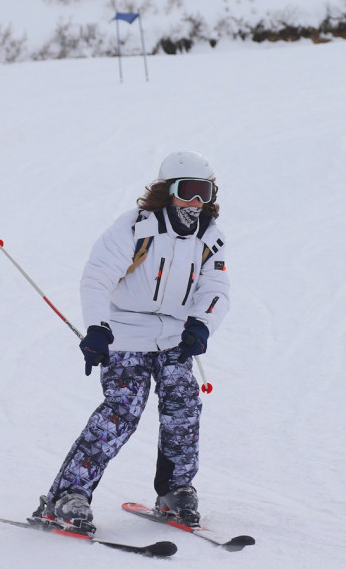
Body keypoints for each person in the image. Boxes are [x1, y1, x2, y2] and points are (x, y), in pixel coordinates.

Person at [30, 150, 231, 533]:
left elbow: (216, 288)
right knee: (122, 410)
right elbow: (97, 277)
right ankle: (67, 496)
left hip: (174, 338)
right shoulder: (135, 228)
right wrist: (97, 328)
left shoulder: (210, 238)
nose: (195, 202)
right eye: (188, 191)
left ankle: (176, 490)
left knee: (183, 406)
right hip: (125, 334)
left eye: (204, 192)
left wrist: (202, 326)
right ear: (167, 191)